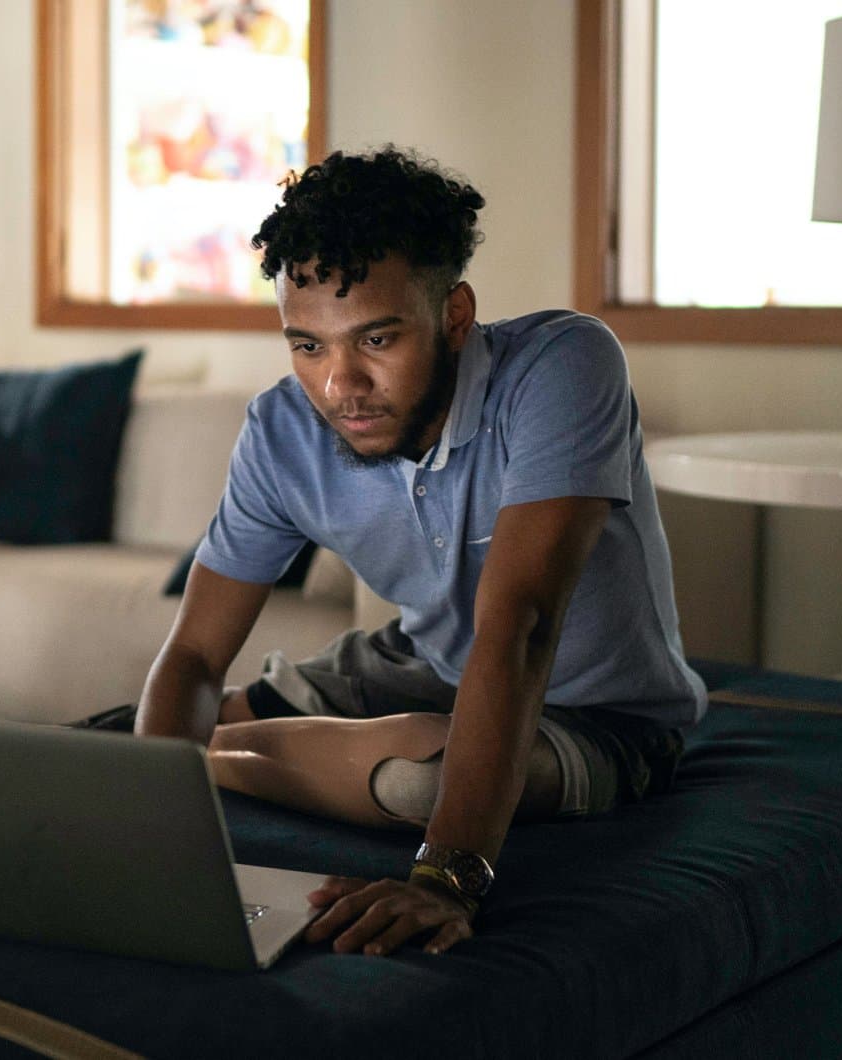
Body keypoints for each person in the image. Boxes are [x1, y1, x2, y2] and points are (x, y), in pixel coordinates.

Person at [133, 147, 708, 959]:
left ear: (455, 314)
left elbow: (522, 625)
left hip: (601, 715)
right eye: (308, 347)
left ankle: (219, 757)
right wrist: (150, 838)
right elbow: (194, 651)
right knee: (143, 727)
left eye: (376, 338)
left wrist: (444, 880)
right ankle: (205, 755)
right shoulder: (280, 432)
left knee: (417, 781)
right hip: (411, 664)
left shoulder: (563, 367)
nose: (340, 386)